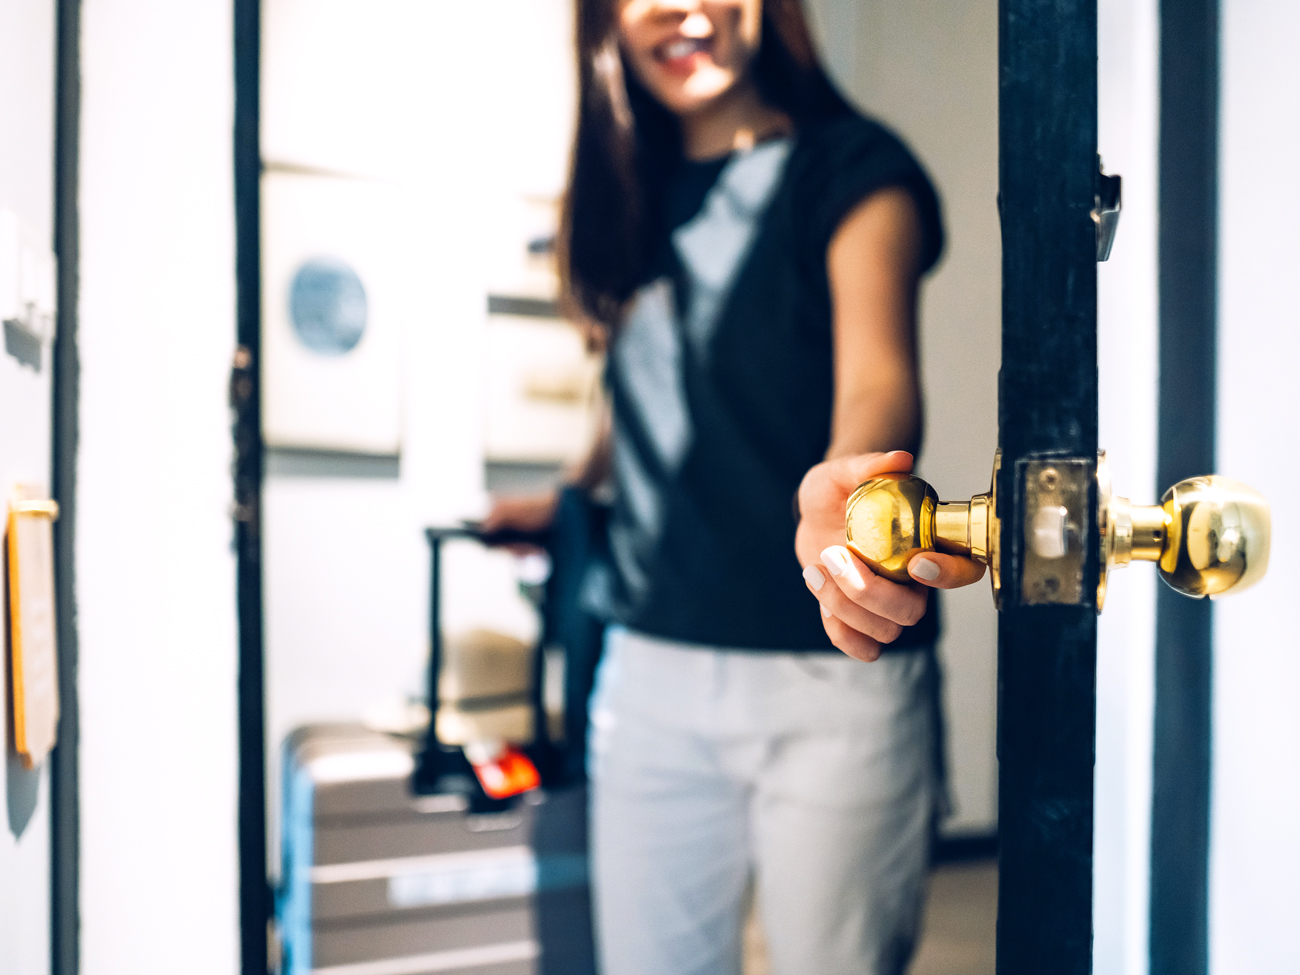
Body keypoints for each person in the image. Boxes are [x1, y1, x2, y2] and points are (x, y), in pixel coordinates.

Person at [484, 1, 982, 972]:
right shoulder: (627, 188)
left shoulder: (853, 169)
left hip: (832, 667)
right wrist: (571, 492)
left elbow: (878, 381)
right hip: (651, 669)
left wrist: (844, 492)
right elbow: (645, 385)